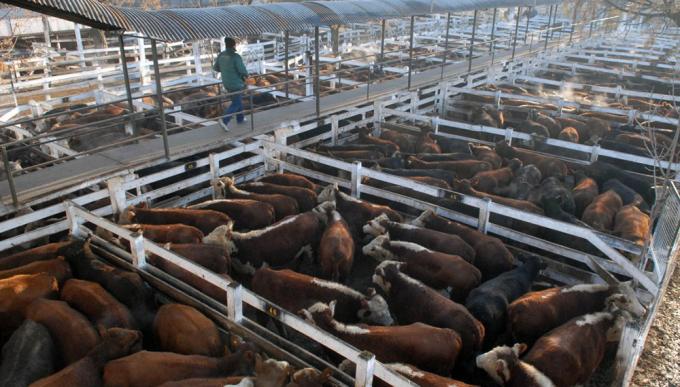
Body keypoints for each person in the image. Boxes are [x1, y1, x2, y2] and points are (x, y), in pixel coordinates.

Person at [213, 37, 249, 131]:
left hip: (226, 83)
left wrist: (226, 70)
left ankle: (240, 118)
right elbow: (242, 70)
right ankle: (224, 120)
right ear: (234, 45)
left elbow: (216, 68)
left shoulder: (221, 55)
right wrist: (246, 75)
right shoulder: (235, 56)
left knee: (237, 100)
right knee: (236, 103)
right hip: (236, 84)